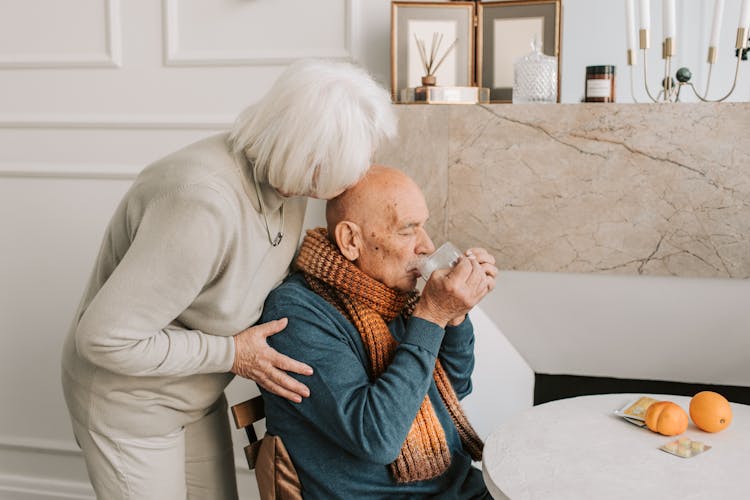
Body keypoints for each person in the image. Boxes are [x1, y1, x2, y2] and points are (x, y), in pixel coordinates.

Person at [60, 59, 396, 499]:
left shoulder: (290, 185)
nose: (364, 169)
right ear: (310, 156)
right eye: (358, 157)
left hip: (195, 392)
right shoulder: (202, 205)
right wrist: (233, 353)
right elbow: (104, 340)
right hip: (130, 405)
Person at [259, 165, 498, 499]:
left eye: (423, 227)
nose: (427, 245)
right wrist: (431, 316)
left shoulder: (390, 294)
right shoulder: (297, 315)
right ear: (351, 240)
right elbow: (377, 438)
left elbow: (451, 389)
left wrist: (455, 316)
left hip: (455, 488)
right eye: (407, 230)